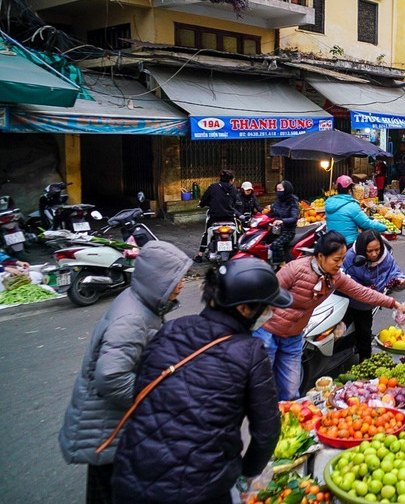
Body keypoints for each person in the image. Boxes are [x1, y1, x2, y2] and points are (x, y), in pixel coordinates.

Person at [110, 258, 294, 504]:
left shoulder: (171, 328)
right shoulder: (250, 350)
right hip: (199, 488)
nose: (269, 313)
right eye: (266, 307)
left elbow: (142, 391)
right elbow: (266, 431)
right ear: (244, 309)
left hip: (131, 477)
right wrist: (248, 474)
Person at [59, 241, 191, 504]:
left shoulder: (142, 303)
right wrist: (153, 400)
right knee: (109, 490)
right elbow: (111, 376)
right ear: (158, 279)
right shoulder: (133, 318)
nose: (183, 283)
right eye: (178, 277)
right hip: (107, 424)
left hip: (113, 423)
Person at [253, 231, 405, 400]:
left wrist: (393, 303)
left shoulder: (335, 277)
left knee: (291, 391)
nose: (340, 264)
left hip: (294, 336)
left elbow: (361, 292)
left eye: (342, 259)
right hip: (268, 333)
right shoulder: (295, 269)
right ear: (320, 256)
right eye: (336, 260)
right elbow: (266, 295)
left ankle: (286, 420)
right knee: (263, 387)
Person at [341, 230, 405, 361]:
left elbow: (396, 272)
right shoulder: (350, 257)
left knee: (364, 332)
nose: (374, 254)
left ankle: (364, 362)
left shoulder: (385, 257)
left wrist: (400, 281)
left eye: (377, 250)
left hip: (366, 305)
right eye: (369, 251)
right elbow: (345, 279)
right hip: (349, 299)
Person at [324, 175, 387, 245]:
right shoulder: (352, 205)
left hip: (331, 242)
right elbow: (366, 224)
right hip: (348, 243)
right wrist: (384, 227)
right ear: (349, 190)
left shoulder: (330, 203)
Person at [195, 169, 241, 262]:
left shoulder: (213, 187)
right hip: (229, 217)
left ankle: (200, 255)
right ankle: (238, 250)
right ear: (231, 179)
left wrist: (202, 204)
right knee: (237, 232)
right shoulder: (233, 189)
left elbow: (204, 200)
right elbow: (237, 202)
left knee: (207, 233)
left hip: (215, 217)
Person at [266, 180, 299, 264]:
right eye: (277, 189)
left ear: (286, 190)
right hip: (277, 229)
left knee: (276, 244)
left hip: (288, 230)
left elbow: (294, 218)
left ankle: (280, 264)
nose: (278, 192)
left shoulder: (292, 202)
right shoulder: (277, 201)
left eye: (280, 189)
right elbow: (272, 213)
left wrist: (282, 221)